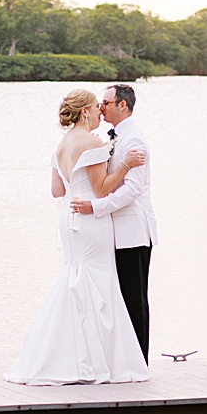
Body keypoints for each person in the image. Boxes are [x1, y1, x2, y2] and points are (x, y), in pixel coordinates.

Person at [5, 89, 150, 385]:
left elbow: (57, 191)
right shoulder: (92, 142)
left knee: (75, 280)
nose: (100, 112)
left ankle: (62, 355)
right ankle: (99, 360)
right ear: (85, 112)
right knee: (98, 284)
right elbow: (101, 188)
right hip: (91, 218)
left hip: (68, 217)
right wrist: (123, 165)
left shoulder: (61, 145)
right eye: (96, 108)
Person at [70, 83, 156, 362]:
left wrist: (94, 207)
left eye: (106, 102)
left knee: (134, 299)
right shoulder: (113, 138)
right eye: (101, 104)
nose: (102, 107)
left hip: (133, 232)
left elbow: (132, 191)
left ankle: (139, 361)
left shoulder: (134, 141)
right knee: (118, 299)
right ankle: (122, 359)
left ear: (123, 105)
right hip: (114, 233)